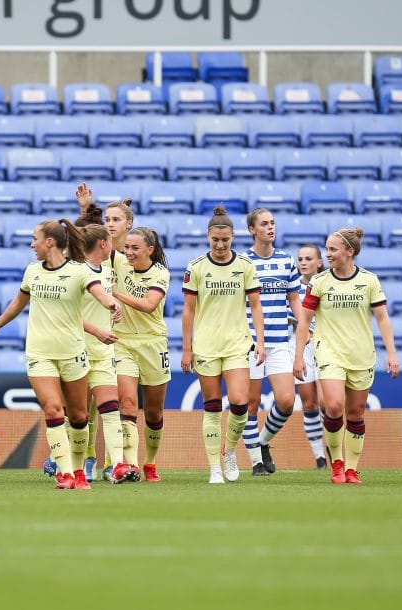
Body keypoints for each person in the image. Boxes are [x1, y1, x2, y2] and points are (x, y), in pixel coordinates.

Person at [0, 218, 121, 490]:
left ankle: (78, 471)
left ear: (50, 242)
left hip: (73, 354)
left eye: (35, 239)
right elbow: (19, 303)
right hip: (40, 353)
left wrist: (112, 303)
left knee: (78, 417)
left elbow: (99, 292)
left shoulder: (78, 271)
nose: (33, 244)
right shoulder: (32, 271)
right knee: (54, 410)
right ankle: (65, 473)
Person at [294, 227, 400, 485]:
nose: (327, 254)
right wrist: (298, 357)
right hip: (329, 352)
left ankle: (352, 469)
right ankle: (337, 462)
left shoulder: (369, 281)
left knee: (355, 414)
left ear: (349, 252)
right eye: (327, 249)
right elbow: (304, 320)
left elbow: (383, 318)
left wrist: (392, 353)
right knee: (333, 406)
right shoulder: (319, 282)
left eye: (333, 249)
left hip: (361, 354)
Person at [181, 206, 265, 484]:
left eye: (225, 240)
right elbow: (189, 311)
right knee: (213, 406)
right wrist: (187, 347)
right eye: (215, 240)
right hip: (206, 345)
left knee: (241, 403)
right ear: (208, 237)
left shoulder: (244, 266)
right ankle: (214, 467)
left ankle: (229, 451)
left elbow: (255, 306)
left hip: (237, 344)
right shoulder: (196, 267)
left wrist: (260, 342)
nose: (220, 245)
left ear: (233, 238)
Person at [75, 207, 138, 484]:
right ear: (103, 244)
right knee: (76, 415)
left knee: (110, 410)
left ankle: (119, 466)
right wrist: (98, 329)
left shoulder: (109, 267)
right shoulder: (76, 272)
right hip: (76, 352)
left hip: (103, 352)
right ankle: (71, 464)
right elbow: (66, 317)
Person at [240, 208, 302, 476]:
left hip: (279, 341)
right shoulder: (242, 261)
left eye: (273, 223)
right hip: (251, 342)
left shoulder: (287, 261)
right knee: (251, 403)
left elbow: (295, 299)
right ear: (252, 229)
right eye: (264, 224)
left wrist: (304, 326)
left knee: (287, 401)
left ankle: (263, 442)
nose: (270, 227)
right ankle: (255, 462)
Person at [112, 226, 171, 482]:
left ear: (150, 250)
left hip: (153, 344)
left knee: (154, 413)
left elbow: (149, 305)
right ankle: (132, 464)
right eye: (127, 247)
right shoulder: (120, 262)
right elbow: (101, 241)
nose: (129, 252)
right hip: (122, 342)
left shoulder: (160, 273)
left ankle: (150, 462)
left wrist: (113, 294)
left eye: (135, 248)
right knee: (127, 404)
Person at [292, 244, 329, 469]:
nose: (303, 262)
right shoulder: (294, 289)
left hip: (325, 346)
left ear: (319, 263)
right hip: (303, 348)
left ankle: (334, 450)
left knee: (328, 403)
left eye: (308, 258)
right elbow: (291, 317)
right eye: (300, 259)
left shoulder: (327, 285)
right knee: (309, 403)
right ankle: (320, 457)